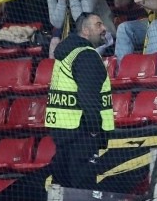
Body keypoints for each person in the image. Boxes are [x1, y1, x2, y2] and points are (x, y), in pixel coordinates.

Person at [45, 12, 115, 187]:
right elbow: (88, 97)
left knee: (63, 188)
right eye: (98, 24)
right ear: (85, 30)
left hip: (63, 131)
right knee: (83, 191)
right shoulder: (87, 55)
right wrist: (95, 130)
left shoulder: (66, 54)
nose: (104, 28)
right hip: (82, 134)